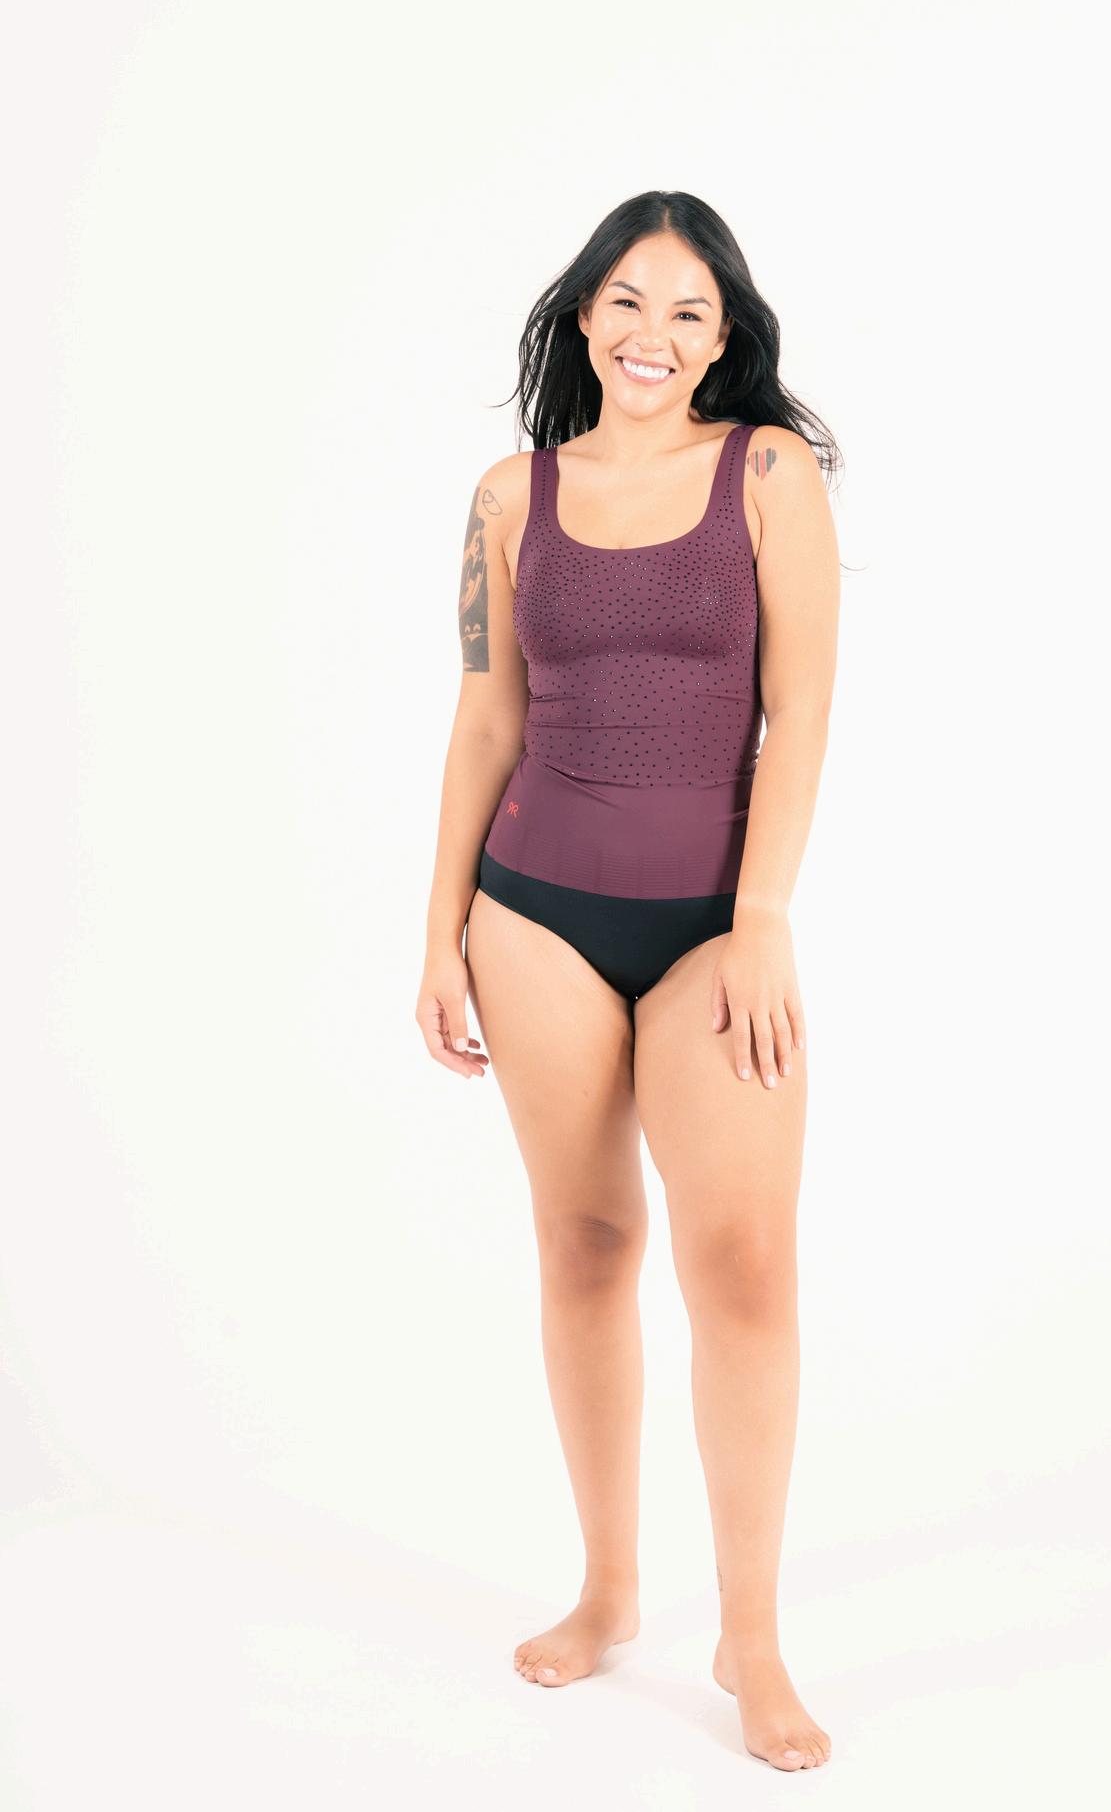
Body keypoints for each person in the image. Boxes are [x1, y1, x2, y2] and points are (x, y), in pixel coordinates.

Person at [416, 190, 842, 1772]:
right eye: (626, 302)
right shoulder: (508, 496)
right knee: (586, 1243)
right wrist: (438, 931)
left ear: (722, 338)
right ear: (583, 314)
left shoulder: (769, 475)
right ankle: (606, 1589)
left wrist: (764, 914)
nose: (651, 335)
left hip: (716, 930)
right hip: (531, 915)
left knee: (745, 1264)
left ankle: (752, 1633)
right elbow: (484, 721)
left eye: (687, 311)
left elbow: (800, 709)